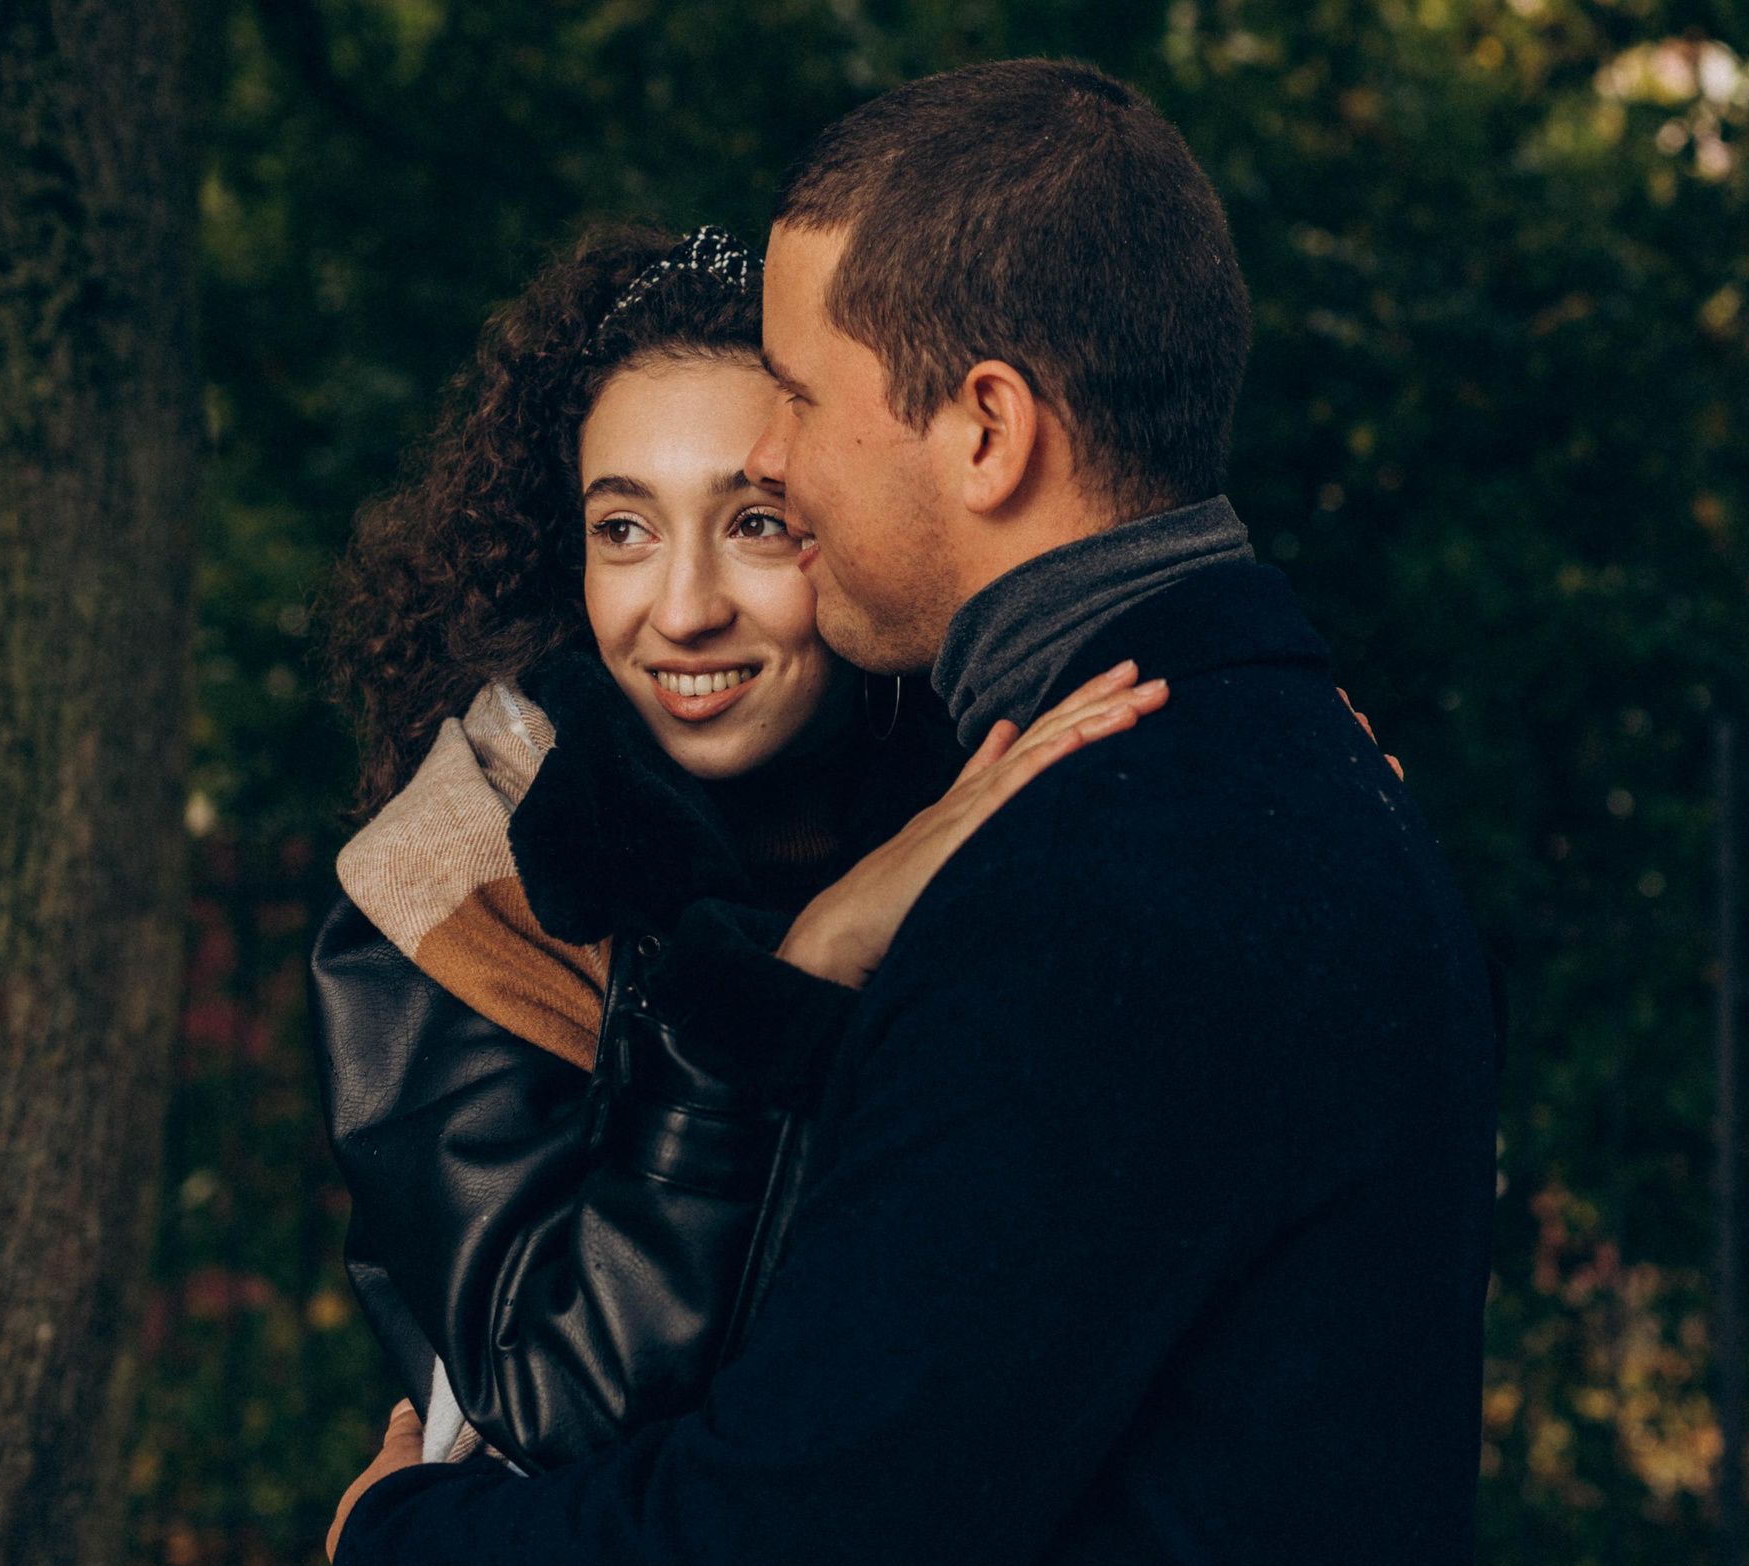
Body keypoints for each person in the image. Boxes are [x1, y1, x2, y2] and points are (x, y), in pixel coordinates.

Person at [327, 57, 1501, 1566]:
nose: (781, 477)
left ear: (989, 427)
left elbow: (785, 1555)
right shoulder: (1251, 767)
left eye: (799, 402)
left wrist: (394, 1560)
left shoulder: (1101, 872)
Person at [313, 221, 1166, 1474]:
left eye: (758, 522)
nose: (683, 607)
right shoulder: (451, 883)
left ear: (857, 522)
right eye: (624, 529)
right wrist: (790, 985)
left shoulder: (1012, 793)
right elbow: (562, 1398)